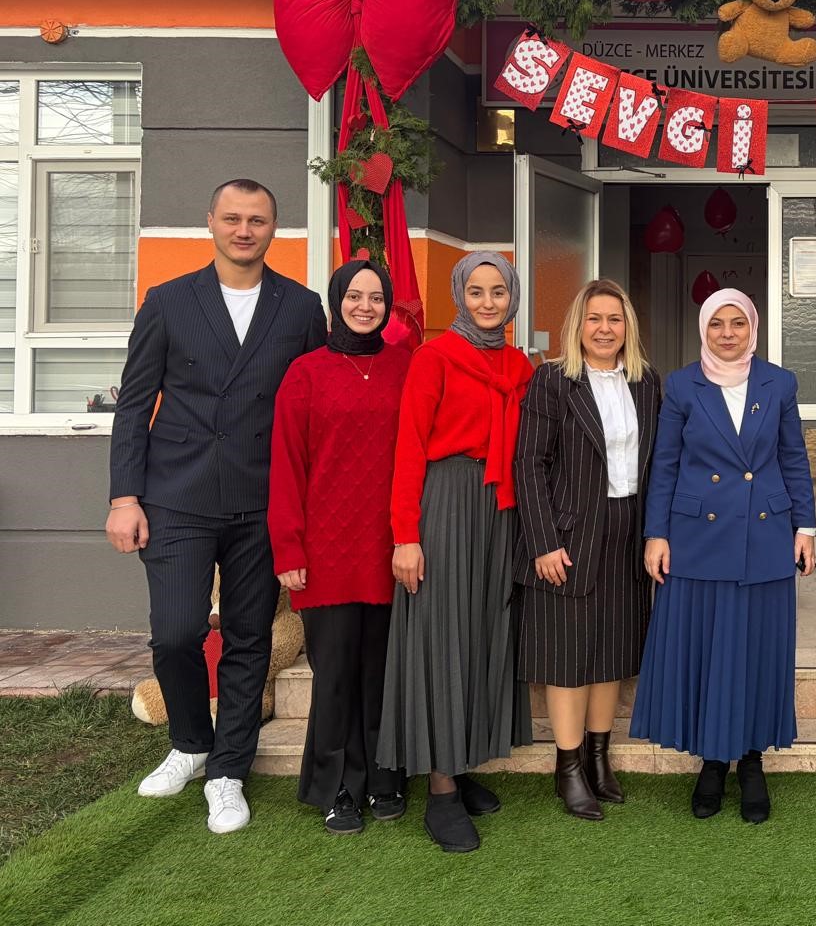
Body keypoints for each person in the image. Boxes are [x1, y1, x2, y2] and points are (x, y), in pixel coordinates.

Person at [107, 179, 326, 834]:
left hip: (263, 499)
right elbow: (134, 404)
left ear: (274, 228)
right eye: (232, 218)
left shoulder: (301, 307)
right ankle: (190, 743)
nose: (243, 230)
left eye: (256, 219)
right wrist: (124, 496)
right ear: (211, 222)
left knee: (248, 638)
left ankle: (228, 769)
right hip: (176, 495)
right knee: (176, 632)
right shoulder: (169, 301)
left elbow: (314, 409)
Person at [629, 289, 816, 824]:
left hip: (765, 535)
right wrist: (656, 533)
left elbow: (792, 457)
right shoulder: (681, 384)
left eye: (738, 323)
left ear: (752, 328)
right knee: (708, 650)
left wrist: (805, 526)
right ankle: (712, 761)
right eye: (717, 324)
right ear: (704, 329)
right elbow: (665, 463)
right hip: (698, 539)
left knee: (757, 650)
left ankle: (752, 760)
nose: (728, 333)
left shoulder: (779, 383)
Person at [377, 252, 535, 854]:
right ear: (459, 297)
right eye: (476, 291)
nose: (488, 302)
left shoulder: (520, 366)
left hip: (501, 508)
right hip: (445, 502)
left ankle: (463, 762)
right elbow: (409, 447)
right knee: (443, 636)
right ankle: (440, 790)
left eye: (499, 291)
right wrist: (406, 535)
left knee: (484, 631)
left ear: (512, 297)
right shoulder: (434, 357)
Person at [268, 259, 410, 834]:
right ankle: (336, 786)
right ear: (336, 301)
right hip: (325, 552)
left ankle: (383, 775)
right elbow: (286, 466)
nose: (365, 307)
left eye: (376, 298)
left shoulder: (406, 366)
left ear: (388, 305)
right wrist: (288, 550)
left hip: (390, 548)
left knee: (381, 673)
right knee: (334, 678)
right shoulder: (305, 373)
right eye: (354, 296)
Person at [513, 279, 662, 821]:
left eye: (614, 319)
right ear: (578, 325)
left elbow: (657, 462)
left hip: (627, 531)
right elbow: (529, 464)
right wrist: (543, 542)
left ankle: (599, 759)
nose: (604, 329)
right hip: (569, 534)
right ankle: (569, 766)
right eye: (594, 319)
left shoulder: (646, 382)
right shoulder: (553, 380)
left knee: (612, 651)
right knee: (568, 655)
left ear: (628, 327)